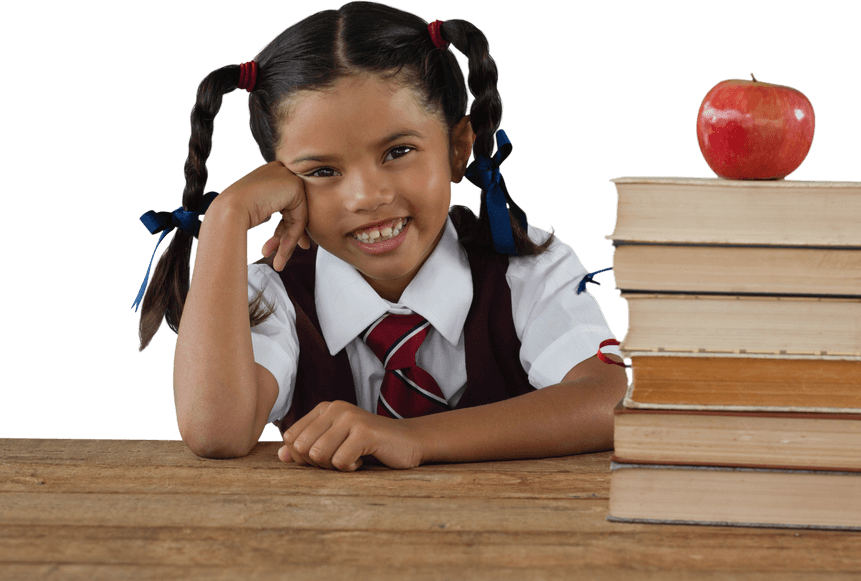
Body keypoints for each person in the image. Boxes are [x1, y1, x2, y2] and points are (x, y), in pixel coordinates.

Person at [132, 1, 628, 471]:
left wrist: (414, 439)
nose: (366, 197)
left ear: (459, 148)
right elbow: (215, 431)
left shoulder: (525, 266)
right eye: (322, 170)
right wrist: (226, 216)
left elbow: (609, 400)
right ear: (281, 187)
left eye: (398, 152)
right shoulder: (274, 294)